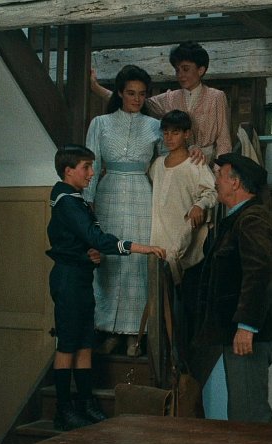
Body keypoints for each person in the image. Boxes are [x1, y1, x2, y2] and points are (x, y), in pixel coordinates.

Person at [46, 144, 166, 430]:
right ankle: (63, 410)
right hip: (68, 279)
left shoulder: (75, 200)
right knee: (68, 344)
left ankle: (85, 403)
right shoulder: (66, 201)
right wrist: (141, 247)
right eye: (86, 167)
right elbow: (95, 237)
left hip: (80, 276)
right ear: (68, 171)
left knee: (84, 343)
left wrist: (88, 254)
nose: (92, 173)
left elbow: (85, 240)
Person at [196, 152, 272, 423]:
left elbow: (261, 273)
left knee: (249, 416)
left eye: (221, 176)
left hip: (249, 335)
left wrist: (247, 325)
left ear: (235, 182)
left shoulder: (252, 219)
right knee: (243, 414)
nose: (216, 181)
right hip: (238, 333)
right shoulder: (237, 219)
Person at [85, 64, 162, 356]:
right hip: (109, 194)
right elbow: (92, 164)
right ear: (119, 93)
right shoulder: (100, 123)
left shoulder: (155, 126)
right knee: (109, 258)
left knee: (137, 261)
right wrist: (88, 201)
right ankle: (108, 330)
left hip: (142, 194)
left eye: (142, 94)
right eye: (131, 93)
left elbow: (167, 161)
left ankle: (134, 334)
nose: (136, 99)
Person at [149, 109, 217, 366]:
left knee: (185, 311)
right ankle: (166, 362)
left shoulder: (195, 164)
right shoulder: (157, 165)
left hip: (186, 243)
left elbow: (212, 192)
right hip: (159, 241)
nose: (169, 137)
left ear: (187, 134)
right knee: (161, 307)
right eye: (166, 133)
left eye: (175, 132)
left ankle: (186, 368)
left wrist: (200, 205)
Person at [91, 41, 231, 164]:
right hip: (179, 164)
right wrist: (96, 87)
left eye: (185, 69)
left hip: (207, 164)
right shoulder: (170, 98)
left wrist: (219, 171)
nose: (180, 75)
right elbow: (133, 100)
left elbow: (223, 141)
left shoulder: (216, 97)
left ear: (201, 70)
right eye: (177, 70)